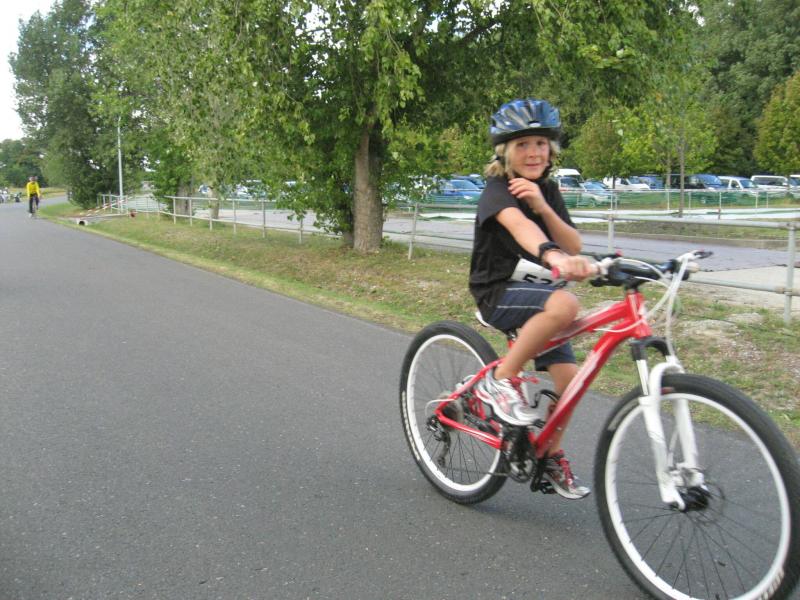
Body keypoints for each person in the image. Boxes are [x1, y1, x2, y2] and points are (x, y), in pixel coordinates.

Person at [468, 98, 595, 499]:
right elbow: (521, 227)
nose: (534, 152)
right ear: (505, 152)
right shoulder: (497, 191)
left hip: (539, 296)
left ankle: (548, 456)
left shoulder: (548, 191)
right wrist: (553, 256)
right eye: (522, 144)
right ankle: (499, 381)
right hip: (498, 292)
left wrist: (544, 207)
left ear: (551, 149)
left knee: (571, 381)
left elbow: (574, 244)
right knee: (566, 304)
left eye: (540, 143)